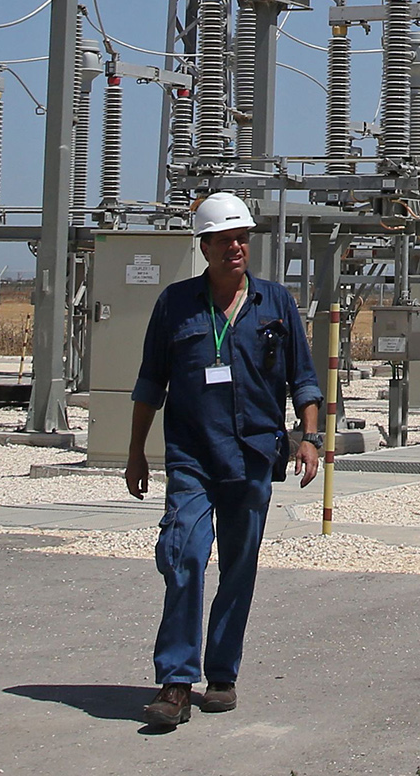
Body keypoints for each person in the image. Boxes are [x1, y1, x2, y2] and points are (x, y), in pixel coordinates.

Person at [126, 192, 323, 728]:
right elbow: (150, 383)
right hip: (192, 455)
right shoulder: (175, 304)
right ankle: (175, 681)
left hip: (254, 455)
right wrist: (136, 453)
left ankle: (221, 675)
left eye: (242, 239)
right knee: (184, 555)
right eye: (224, 240)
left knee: (239, 566)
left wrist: (310, 438)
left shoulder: (275, 303)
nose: (235, 247)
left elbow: (303, 378)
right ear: (204, 246)